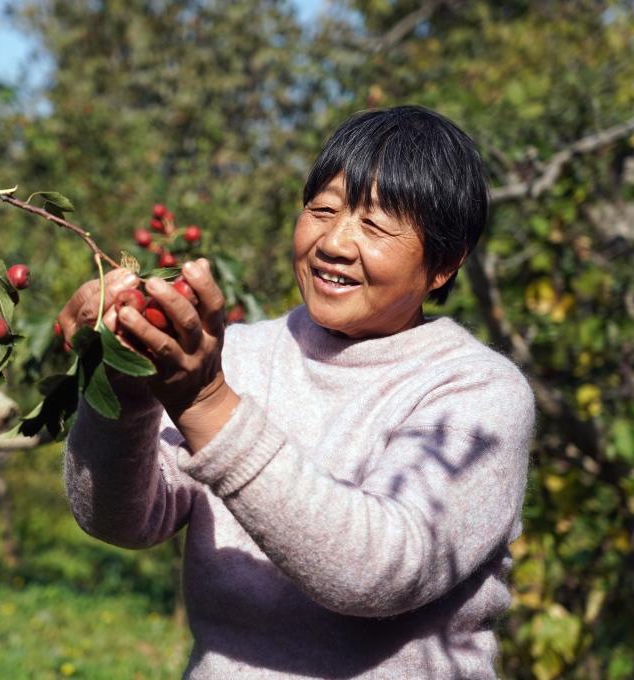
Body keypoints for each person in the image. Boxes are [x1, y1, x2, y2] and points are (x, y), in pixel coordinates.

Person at [56, 105, 534, 679]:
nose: (334, 242)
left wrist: (207, 407)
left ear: (443, 264)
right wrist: (122, 390)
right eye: (323, 210)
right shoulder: (235, 353)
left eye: (376, 226)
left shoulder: (480, 394)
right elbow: (120, 519)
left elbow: (380, 569)